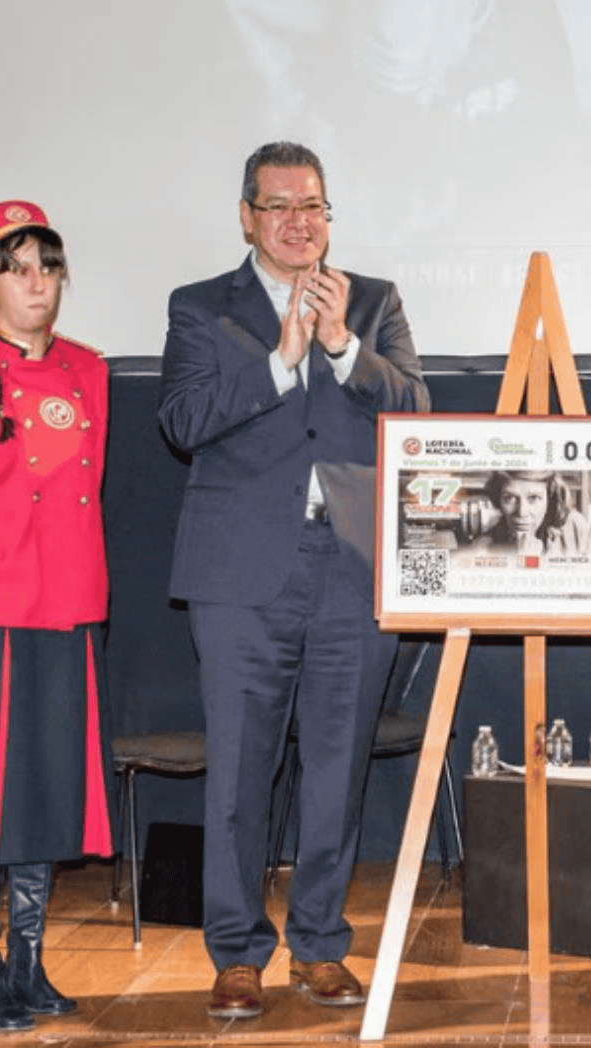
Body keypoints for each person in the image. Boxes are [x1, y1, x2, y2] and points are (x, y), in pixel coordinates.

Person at [157, 143, 429, 1019]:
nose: (299, 222)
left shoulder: (375, 302)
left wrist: (344, 347)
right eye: (279, 206)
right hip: (241, 573)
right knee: (239, 769)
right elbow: (184, 421)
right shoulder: (202, 307)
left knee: (336, 768)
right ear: (247, 216)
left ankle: (319, 944)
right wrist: (280, 359)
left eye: (313, 205)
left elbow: (415, 412)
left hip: (350, 566)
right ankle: (237, 954)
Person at [0, 201, 116, 1032]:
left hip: (65, 604)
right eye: (15, 266)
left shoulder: (90, 370)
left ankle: (27, 968)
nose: (35, 282)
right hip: (2, 604)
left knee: (41, 792)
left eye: (47, 265)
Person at [461, 470, 590, 555]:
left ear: (550, 498)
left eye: (533, 498)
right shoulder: (482, 549)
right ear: (498, 500)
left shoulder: (575, 525)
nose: (521, 512)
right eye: (509, 498)